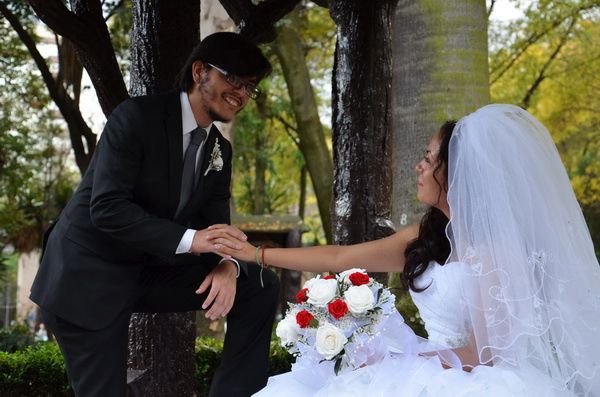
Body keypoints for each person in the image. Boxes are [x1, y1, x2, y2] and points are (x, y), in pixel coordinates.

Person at [211, 104, 600, 396]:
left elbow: (483, 354)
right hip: (429, 361)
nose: (419, 166)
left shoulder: (493, 252)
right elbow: (340, 258)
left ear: (454, 172)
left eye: (429, 159)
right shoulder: (428, 236)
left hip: (471, 378)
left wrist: (398, 361)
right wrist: (256, 254)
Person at [30, 32, 279, 397]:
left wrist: (227, 264)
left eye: (250, 87)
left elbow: (215, 225)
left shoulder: (219, 151)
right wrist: (195, 240)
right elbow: (107, 209)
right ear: (200, 72)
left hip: (150, 270)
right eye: (234, 79)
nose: (241, 94)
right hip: (87, 275)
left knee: (257, 282)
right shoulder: (136, 117)